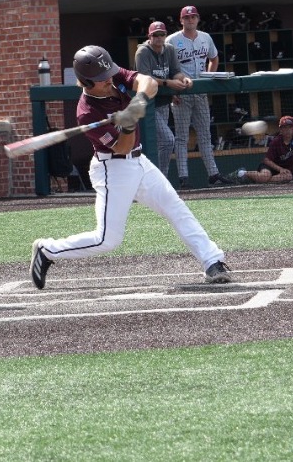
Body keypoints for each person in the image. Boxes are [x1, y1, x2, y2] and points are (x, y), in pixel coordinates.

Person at [29, 45, 234, 292]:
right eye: (101, 80)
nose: (108, 81)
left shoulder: (111, 74)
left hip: (139, 162)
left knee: (175, 207)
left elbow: (149, 82)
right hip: (113, 169)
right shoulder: (87, 113)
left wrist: (137, 101)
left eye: (108, 75)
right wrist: (127, 125)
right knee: (108, 239)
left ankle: (212, 261)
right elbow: (121, 148)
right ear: (86, 82)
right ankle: (47, 249)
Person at [165, 6, 231, 187]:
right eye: (187, 18)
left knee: (205, 135)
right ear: (181, 20)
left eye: (193, 17)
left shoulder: (205, 37)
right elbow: (166, 67)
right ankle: (183, 176)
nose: (190, 20)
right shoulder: (172, 40)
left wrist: (208, 78)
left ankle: (213, 173)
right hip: (181, 94)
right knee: (182, 137)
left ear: (198, 18)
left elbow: (214, 58)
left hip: (200, 92)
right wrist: (172, 92)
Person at [133, 20, 191, 173]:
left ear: (166, 35)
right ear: (149, 36)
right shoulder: (143, 52)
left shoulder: (170, 49)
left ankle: (157, 178)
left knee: (161, 143)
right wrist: (169, 83)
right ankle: (161, 176)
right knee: (167, 140)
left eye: (162, 34)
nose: (159, 38)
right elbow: (145, 78)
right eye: (155, 35)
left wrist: (183, 79)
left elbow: (176, 71)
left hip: (164, 103)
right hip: (147, 105)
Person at [233, 116, 293, 184]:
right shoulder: (276, 141)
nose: (287, 130)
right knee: (264, 176)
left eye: (290, 127)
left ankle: (258, 179)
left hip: (284, 170)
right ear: (281, 130)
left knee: (288, 177)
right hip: (269, 167)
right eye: (284, 128)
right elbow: (266, 160)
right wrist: (280, 169)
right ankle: (242, 173)